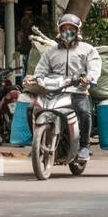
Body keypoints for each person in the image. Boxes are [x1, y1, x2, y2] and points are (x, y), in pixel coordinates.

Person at [29, 13, 100, 161]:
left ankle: (84, 147)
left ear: (78, 31)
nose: (67, 31)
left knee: (84, 112)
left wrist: (88, 78)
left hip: (77, 91)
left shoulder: (87, 49)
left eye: (71, 28)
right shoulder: (51, 52)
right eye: (64, 28)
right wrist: (35, 78)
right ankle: (36, 143)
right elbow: (41, 70)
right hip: (53, 91)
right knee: (31, 109)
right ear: (59, 30)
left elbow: (94, 67)